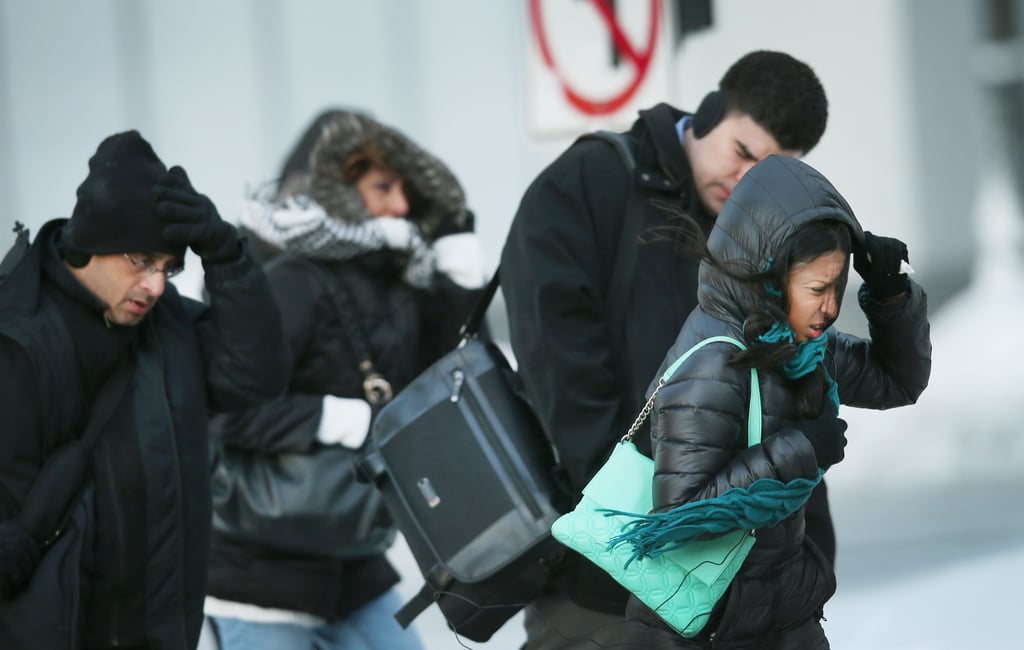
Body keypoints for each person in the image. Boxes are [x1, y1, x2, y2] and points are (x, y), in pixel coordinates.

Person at [500, 50, 831, 646]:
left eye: (765, 174)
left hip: (743, 590)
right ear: (707, 114)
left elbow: (786, 388)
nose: (743, 182)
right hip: (611, 586)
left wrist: (811, 556)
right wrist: (639, 541)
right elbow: (563, 377)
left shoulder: (764, 232)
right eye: (742, 154)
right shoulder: (590, 186)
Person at [604, 153, 931, 648]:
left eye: (838, 286)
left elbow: (897, 382)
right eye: (817, 288)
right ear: (771, 279)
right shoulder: (713, 364)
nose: (830, 307)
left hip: (779, 614)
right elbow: (681, 513)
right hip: (705, 627)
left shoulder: (802, 345)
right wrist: (800, 450)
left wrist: (889, 296)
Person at [203, 109, 486, 650]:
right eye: (383, 187)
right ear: (333, 191)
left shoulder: (394, 282)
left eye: (404, 189)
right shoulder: (288, 284)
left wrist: (458, 266)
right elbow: (226, 410)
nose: (400, 206)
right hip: (259, 575)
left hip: (354, 566)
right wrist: (345, 418)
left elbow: (443, 376)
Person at [0, 130, 290, 649]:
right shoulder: (15, 338)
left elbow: (255, 378)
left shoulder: (169, 322)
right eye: (140, 261)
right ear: (91, 245)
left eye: (168, 267)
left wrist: (226, 256)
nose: (157, 286)